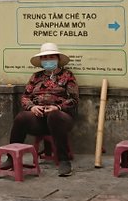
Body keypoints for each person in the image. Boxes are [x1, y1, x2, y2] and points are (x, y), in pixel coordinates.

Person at [9, 42, 78, 176]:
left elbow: (74, 100)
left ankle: (64, 161)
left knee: (54, 116)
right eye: (45, 58)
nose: (48, 60)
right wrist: (32, 107)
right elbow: (25, 97)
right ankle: (11, 158)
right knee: (21, 117)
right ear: (41, 60)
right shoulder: (36, 77)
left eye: (51, 57)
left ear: (58, 59)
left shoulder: (67, 75)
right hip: (39, 120)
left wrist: (57, 107)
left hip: (61, 119)